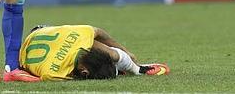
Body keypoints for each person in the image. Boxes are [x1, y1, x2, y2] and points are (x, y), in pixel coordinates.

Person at [19, 25, 170, 81]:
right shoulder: (54, 74)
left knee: (109, 53)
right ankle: (135, 69)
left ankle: (133, 68)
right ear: (84, 71)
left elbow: (98, 33)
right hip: (28, 47)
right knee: (108, 54)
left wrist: (125, 53)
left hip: (38, 33)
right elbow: (99, 33)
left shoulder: (82, 37)